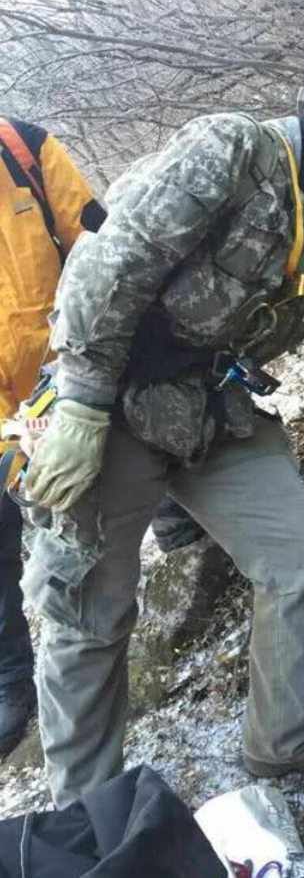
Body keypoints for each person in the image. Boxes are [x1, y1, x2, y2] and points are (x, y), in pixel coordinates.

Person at [21, 22, 304, 809]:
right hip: (117, 405)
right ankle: (87, 813)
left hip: (211, 410)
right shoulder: (232, 149)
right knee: (88, 613)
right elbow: (110, 261)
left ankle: (284, 745)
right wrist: (77, 403)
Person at [0, 118, 107, 756]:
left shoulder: (24, 149)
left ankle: (181, 523)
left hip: (74, 363)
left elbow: (101, 245)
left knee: (129, 438)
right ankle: (13, 678)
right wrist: (14, 433)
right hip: (6, 406)